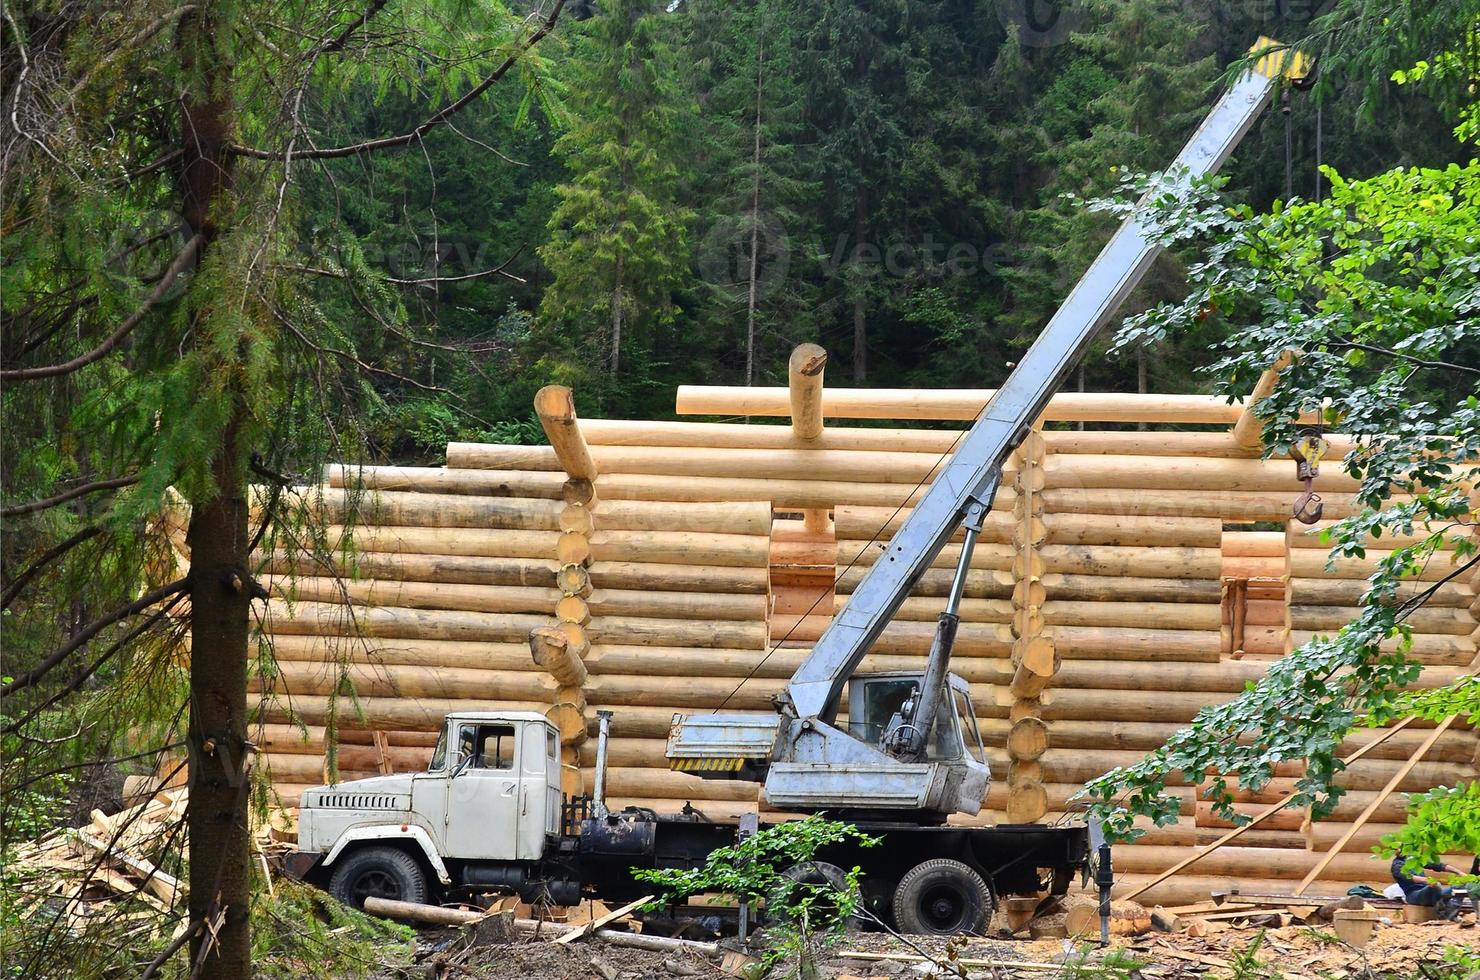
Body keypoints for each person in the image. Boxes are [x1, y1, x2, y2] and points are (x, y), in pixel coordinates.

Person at [1391, 852, 1464, 919]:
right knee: (1435, 886)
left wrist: (1459, 872)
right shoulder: (1397, 865)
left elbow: (1438, 865)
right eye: (1396, 848)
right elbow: (1408, 877)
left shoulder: (1415, 858)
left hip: (1430, 889)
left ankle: (1449, 915)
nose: (1398, 850)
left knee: (1460, 886)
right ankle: (1442, 913)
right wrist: (1426, 880)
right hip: (1413, 895)